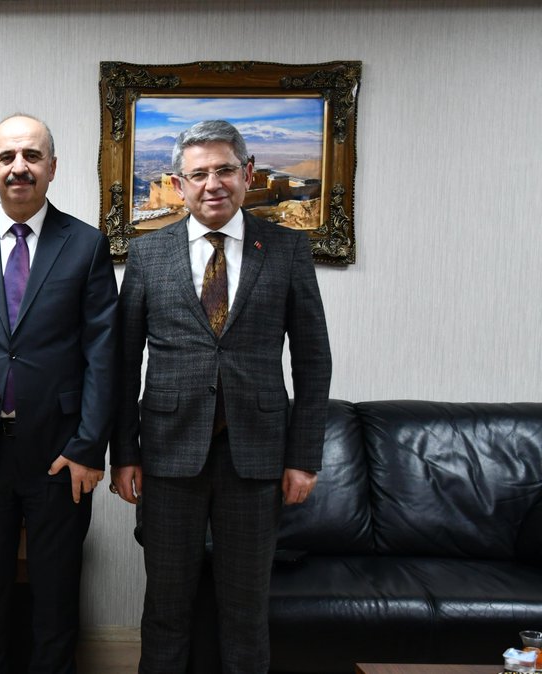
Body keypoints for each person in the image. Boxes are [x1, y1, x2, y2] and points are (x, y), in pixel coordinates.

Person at [110, 119, 332, 674]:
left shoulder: (284, 249)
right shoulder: (148, 254)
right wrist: (125, 453)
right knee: (165, 607)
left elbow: (312, 359)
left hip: (254, 458)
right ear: (180, 184)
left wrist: (303, 458)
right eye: (199, 173)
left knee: (246, 610)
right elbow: (121, 363)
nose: (213, 183)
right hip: (167, 457)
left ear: (247, 173)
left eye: (225, 170)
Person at [0, 113, 118, 674]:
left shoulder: (84, 246)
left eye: (31, 156)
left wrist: (88, 447)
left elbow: (104, 354)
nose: (19, 168)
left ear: (52, 167)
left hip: (59, 453)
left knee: (55, 599)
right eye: (7, 158)